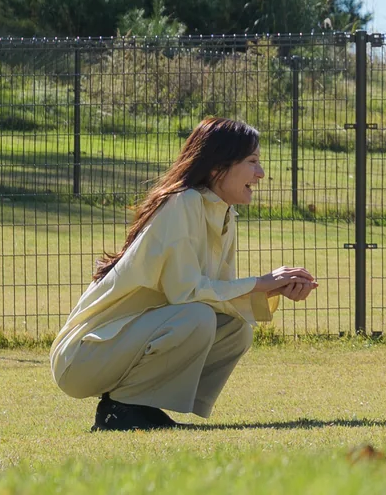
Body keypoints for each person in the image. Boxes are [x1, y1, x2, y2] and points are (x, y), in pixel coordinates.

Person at [50, 116, 318, 430]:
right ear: (219, 167)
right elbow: (186, 293)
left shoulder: (223, 212)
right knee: (198, 318)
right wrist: (261, 282)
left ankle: (137, 408)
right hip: (82, 358)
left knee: (235, 327)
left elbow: (215, 292)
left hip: (115, 348)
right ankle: (122, 410)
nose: (260, 173)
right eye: (252, 161)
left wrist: (271, 289)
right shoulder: (183, 203)